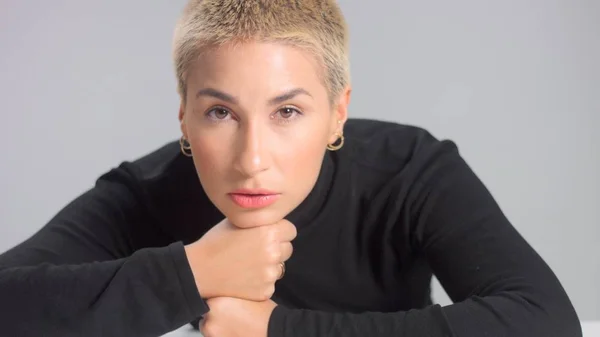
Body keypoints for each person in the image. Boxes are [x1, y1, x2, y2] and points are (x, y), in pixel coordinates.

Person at [0, 1, 582, 336]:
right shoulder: (150, 191)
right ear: (183, 117)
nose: (252, 160)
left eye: (288, 111)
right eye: (221, 112)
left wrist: (278, 332)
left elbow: (544, 321)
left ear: (338, 114)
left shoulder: (408, 170)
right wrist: (188, 274)